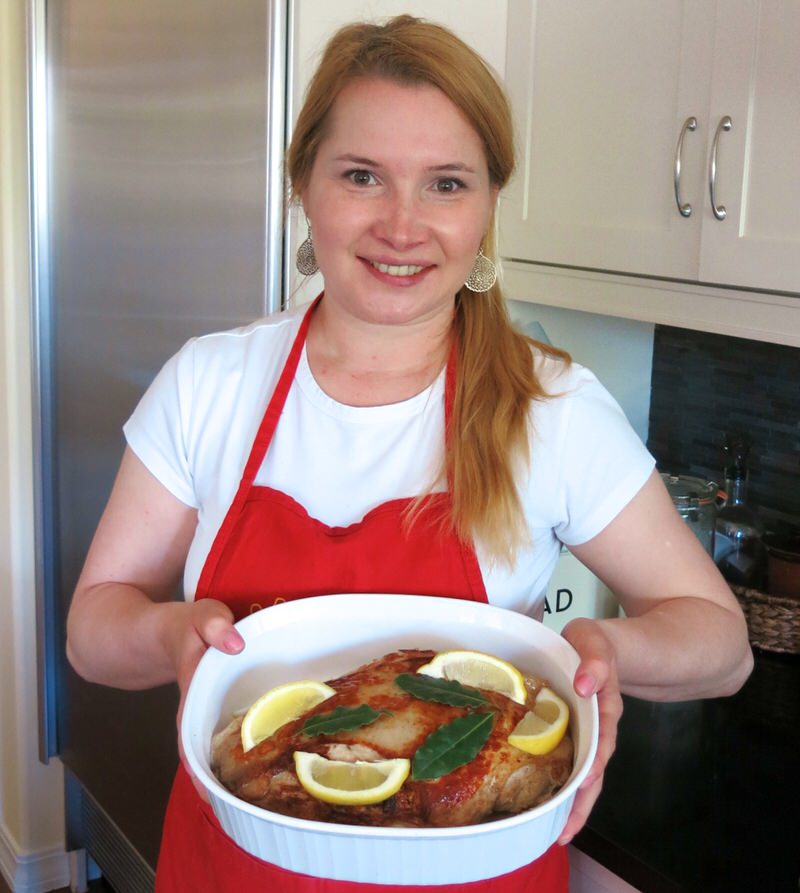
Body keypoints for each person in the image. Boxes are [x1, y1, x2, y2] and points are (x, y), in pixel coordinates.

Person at [66, 15, 753, 893]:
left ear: (488, 206)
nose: (402, 224)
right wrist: (171, 636)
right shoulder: (210, 383)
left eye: (446, 184)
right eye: (362, 176)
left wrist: (600, 650)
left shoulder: (553, 408)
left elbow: (724, 644)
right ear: (304, 186)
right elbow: (94, 628)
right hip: (232, 867)